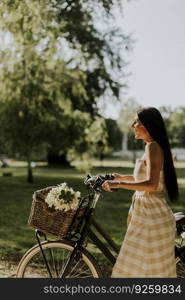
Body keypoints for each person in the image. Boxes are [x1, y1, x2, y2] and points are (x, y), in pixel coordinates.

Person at [102, 107, 179, 278]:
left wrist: (119, 184)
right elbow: (146, 178)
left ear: (147, 125)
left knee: (135, 272)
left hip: (151, 220)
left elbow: (151, 185)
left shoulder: (153, 148)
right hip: (147, 216)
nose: (132, 125)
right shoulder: (151, 147)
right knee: (141, 272)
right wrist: (121, 177)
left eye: (136, 121)